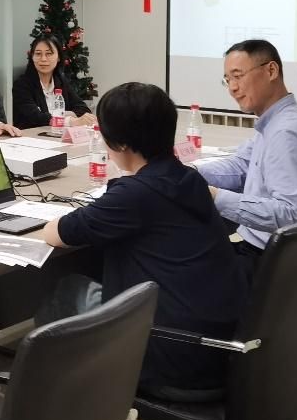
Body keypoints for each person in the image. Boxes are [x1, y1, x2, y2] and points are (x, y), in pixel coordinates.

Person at [44, 83, 247, 400]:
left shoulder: (134, 195)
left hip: (173, 358)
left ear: (120, 142)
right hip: (219, 348)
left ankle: (68, 403)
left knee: (68, 291)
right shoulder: (190, 178)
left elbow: (55, 233)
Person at [196, 39, 297, 275]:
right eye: (228, 80)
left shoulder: (286, 132)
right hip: (275, 254)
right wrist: (192, 173)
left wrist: (214, 196)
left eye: (238, 76)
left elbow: (291, 215)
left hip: (275, 265)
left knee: (177, 270)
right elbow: (242, 164)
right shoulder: (281, 120)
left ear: (271, 70)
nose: (232, 88)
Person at [11, 33, 96, 128]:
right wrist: (69, 120)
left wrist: (61, 115)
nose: (43, 59)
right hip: (32, 135)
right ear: (32, 57)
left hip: (58, 134)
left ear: (59, 57)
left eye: (49, 53)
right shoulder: (22, 85)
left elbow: (83, 109)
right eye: (38, 54)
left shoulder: (60, 81)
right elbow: (36, 118)